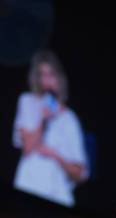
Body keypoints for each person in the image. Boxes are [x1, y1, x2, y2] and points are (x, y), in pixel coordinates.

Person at [12, 49, 88, 207]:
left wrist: (56, 156)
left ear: (59, 78)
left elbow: (80, 173)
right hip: (28, 187)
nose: (46, 81)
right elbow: (27, 147)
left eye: (50, 74)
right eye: (42, 75)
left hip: (58, 195)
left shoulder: (70, 118)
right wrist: (43, 118)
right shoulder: (27, 102)